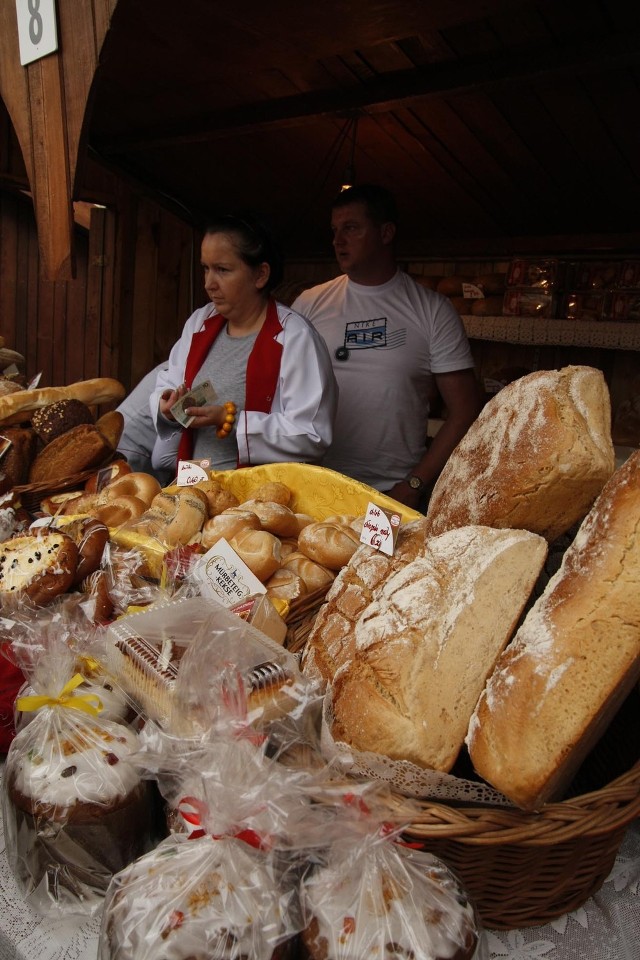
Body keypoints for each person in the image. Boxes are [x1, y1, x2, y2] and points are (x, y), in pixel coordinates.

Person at [292, 184, 482, 510]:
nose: (338, 240)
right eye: (335, 230)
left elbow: (465, 409)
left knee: (386, 563)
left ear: (386, 232)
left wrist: (415, 484)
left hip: (391, 493)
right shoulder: (309, 304)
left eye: (351, 228)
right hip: (315, 486)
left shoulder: (432, 310)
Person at [150, 214, 338, 473]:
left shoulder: (294, 336)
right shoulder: (200, 323)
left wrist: (232, 421)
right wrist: (167, 406)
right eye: (206, 268)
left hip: (256, 502)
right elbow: (170, 382)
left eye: (222, 270)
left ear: (260, 275)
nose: (208, 284)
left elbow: (312, 434)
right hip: (197, 487)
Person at [116, 362, 174, 486]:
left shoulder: (178, 361)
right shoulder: (182, 369)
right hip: (132, 450)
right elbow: (163, 459)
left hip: (126, 442)